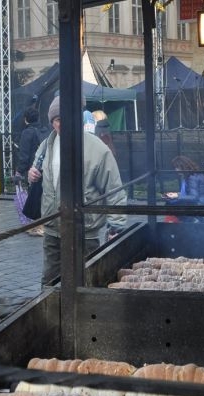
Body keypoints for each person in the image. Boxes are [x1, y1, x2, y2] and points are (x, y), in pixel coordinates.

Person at [27, 96, 127, 285]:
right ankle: (51, 315)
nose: (62, 125)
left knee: (87, 282)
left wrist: (116, 226)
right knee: (49, 283)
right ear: (52, 122)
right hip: (53, 230)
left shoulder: (98, 149)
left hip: (85, 232)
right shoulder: (46, 146)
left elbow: (114, 190)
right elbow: (37, 174)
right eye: (58, 120)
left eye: (67, 119)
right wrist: (32, 175)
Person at [16, 107, 50, 237]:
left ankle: (38, 225)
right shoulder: (46, 131)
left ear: (25, 120)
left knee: (33, 196)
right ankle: (44, 223)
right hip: (46, 168)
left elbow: (24, 155)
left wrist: (19, 171)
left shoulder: (27, 133)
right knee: (43, 196)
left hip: (33, 169)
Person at [163, 155, 204, 222]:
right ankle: (192, 219)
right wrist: (174, 194)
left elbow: (194, 197)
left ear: (182, 167)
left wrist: (176, 196)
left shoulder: (192, 177)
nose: (176, 170)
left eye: (177, 167)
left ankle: (192, 220)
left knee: (169, 203)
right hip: (199, 203)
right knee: (169, 199)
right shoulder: (191, 175)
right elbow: (188, 193)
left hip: (200, 205)